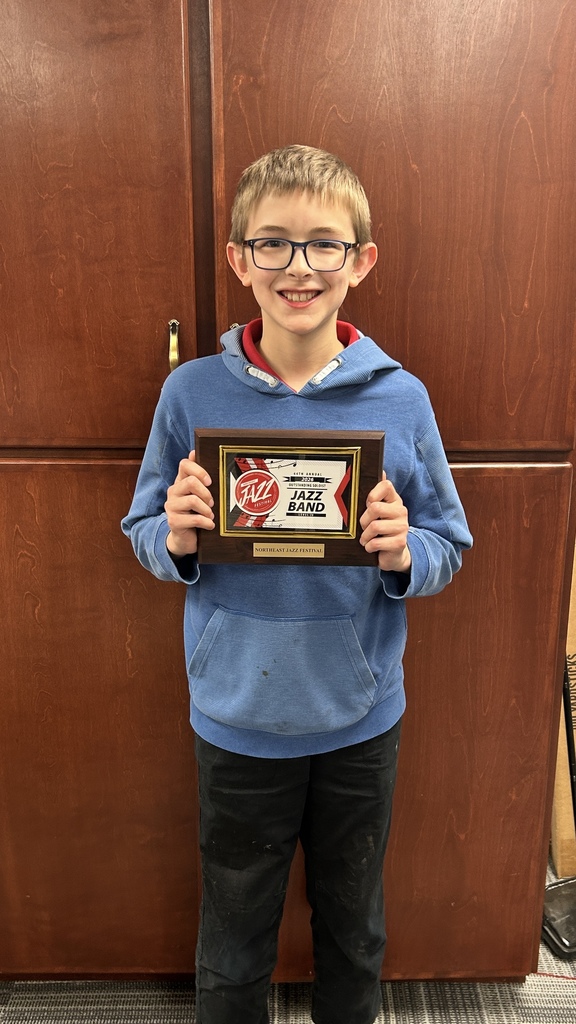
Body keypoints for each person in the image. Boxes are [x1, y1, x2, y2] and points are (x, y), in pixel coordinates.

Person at [121, 144, 472, 1024]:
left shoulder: (403, 400)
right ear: (239, 260)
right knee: (234, 937)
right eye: (272, 243)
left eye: (324, 244)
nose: (299, 267)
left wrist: (403, 555)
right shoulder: (190, 393)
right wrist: (177, 537)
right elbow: (143, 535)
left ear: (361, 262)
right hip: (235, 717)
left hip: (361, 719)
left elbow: (448, 544)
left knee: (354, 934)